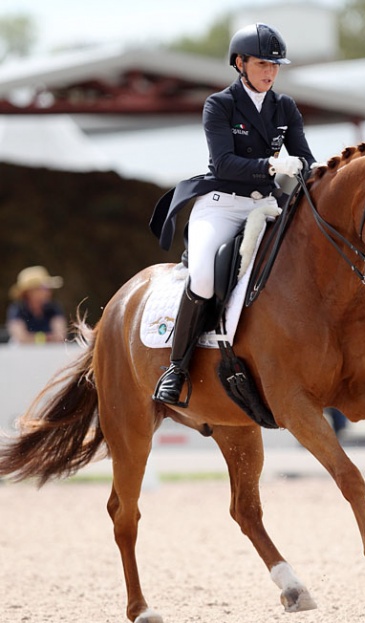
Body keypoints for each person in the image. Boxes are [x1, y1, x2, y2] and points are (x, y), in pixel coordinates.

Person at [149, 23, 316, 407]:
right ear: (240, 63)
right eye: (262, 63)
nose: (270, 72)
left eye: (275, 65)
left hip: (267, 206)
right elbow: (224, 163)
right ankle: (176, 368)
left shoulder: (285, 107)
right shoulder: (219, 105)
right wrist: (273, 168)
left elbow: (305, 156)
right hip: (223, 205)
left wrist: (301, 166)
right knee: (205, 278)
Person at [6, 265, 67, 344]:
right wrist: (45, 339)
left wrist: (33, 338)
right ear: (30, 292)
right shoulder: (17, 309)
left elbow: (60, 336)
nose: (48, 291)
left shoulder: (54, 308)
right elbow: (20, 337)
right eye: (44, 288)